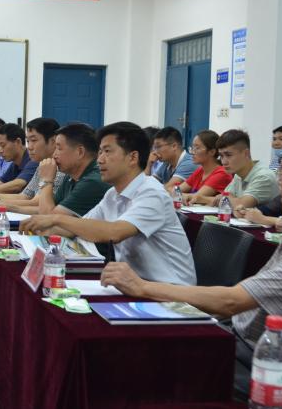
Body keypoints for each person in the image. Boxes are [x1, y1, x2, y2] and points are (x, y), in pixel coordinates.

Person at [101, 137, 282, 395]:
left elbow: (231, 301)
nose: (279, 181)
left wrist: (142, 287)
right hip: (242, 339)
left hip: (262, 365)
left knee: (131, 358)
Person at [20, 122, 196, 286]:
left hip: (171, 291)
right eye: (100, 152)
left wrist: (56, 219)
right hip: (132, 284)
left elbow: (115, 232)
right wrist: (38, 230)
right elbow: (80, 227)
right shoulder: (113, 194)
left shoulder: (152, 192)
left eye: (107, 151)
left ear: (133, 157)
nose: (100, 160)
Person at [0, 118, 63, 211]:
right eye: (28, 141)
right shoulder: (42, 164)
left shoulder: (61, 168)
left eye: (34, 140)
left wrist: (3, 203)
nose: (30, 147)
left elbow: (37, 202)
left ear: (53, 141)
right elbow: (25, 196)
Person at [35, 122, 110, 216]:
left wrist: (46, 180)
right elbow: (51, 207)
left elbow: (48, 217)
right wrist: (16, 208)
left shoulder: (92, 181)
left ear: (80, 152)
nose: (54, 155)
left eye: (59, 148)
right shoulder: (70, 176)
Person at [211, 129, 279, 209]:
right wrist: (228, 198)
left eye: (228, 155)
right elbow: (224, 199)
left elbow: (240, 205)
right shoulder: (238, 175)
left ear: (246, 153)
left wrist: (228, 198)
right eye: (221, 156)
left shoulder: (264, 176)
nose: (223, 162)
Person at [177, 130, 232, 205]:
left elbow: (196, 198)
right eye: (192, 148)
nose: (192, 152)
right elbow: (177, 191)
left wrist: (182, 195)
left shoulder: (222, 173)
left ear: (212, 152)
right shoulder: (200, 170)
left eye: (197, 148)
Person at [150, 126, 197, 192]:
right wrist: (149, 163)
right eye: (155, 148)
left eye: (158, 147)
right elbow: (147, 184)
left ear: (174, 146)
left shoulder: (189, 163)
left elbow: (168, 189)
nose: (155, 152)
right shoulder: (167, 163)